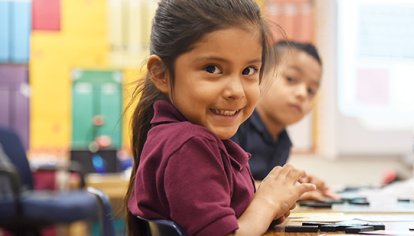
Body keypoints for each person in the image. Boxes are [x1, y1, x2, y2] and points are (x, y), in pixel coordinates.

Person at [124, 1, 316, 236]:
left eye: (248, 71)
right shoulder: (189, 145)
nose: (236, 90)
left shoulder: (191, 138)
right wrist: (266, 203)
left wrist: (270, 205)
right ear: (161, 74)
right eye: (212, 68)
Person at [232, 41, 338, 201]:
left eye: (311, 90)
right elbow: (229, 188)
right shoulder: (234, 122)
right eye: (291, 78)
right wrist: (289, 190)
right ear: (260, 77)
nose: (302, 93)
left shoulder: (283, 142)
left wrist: (299, 183)